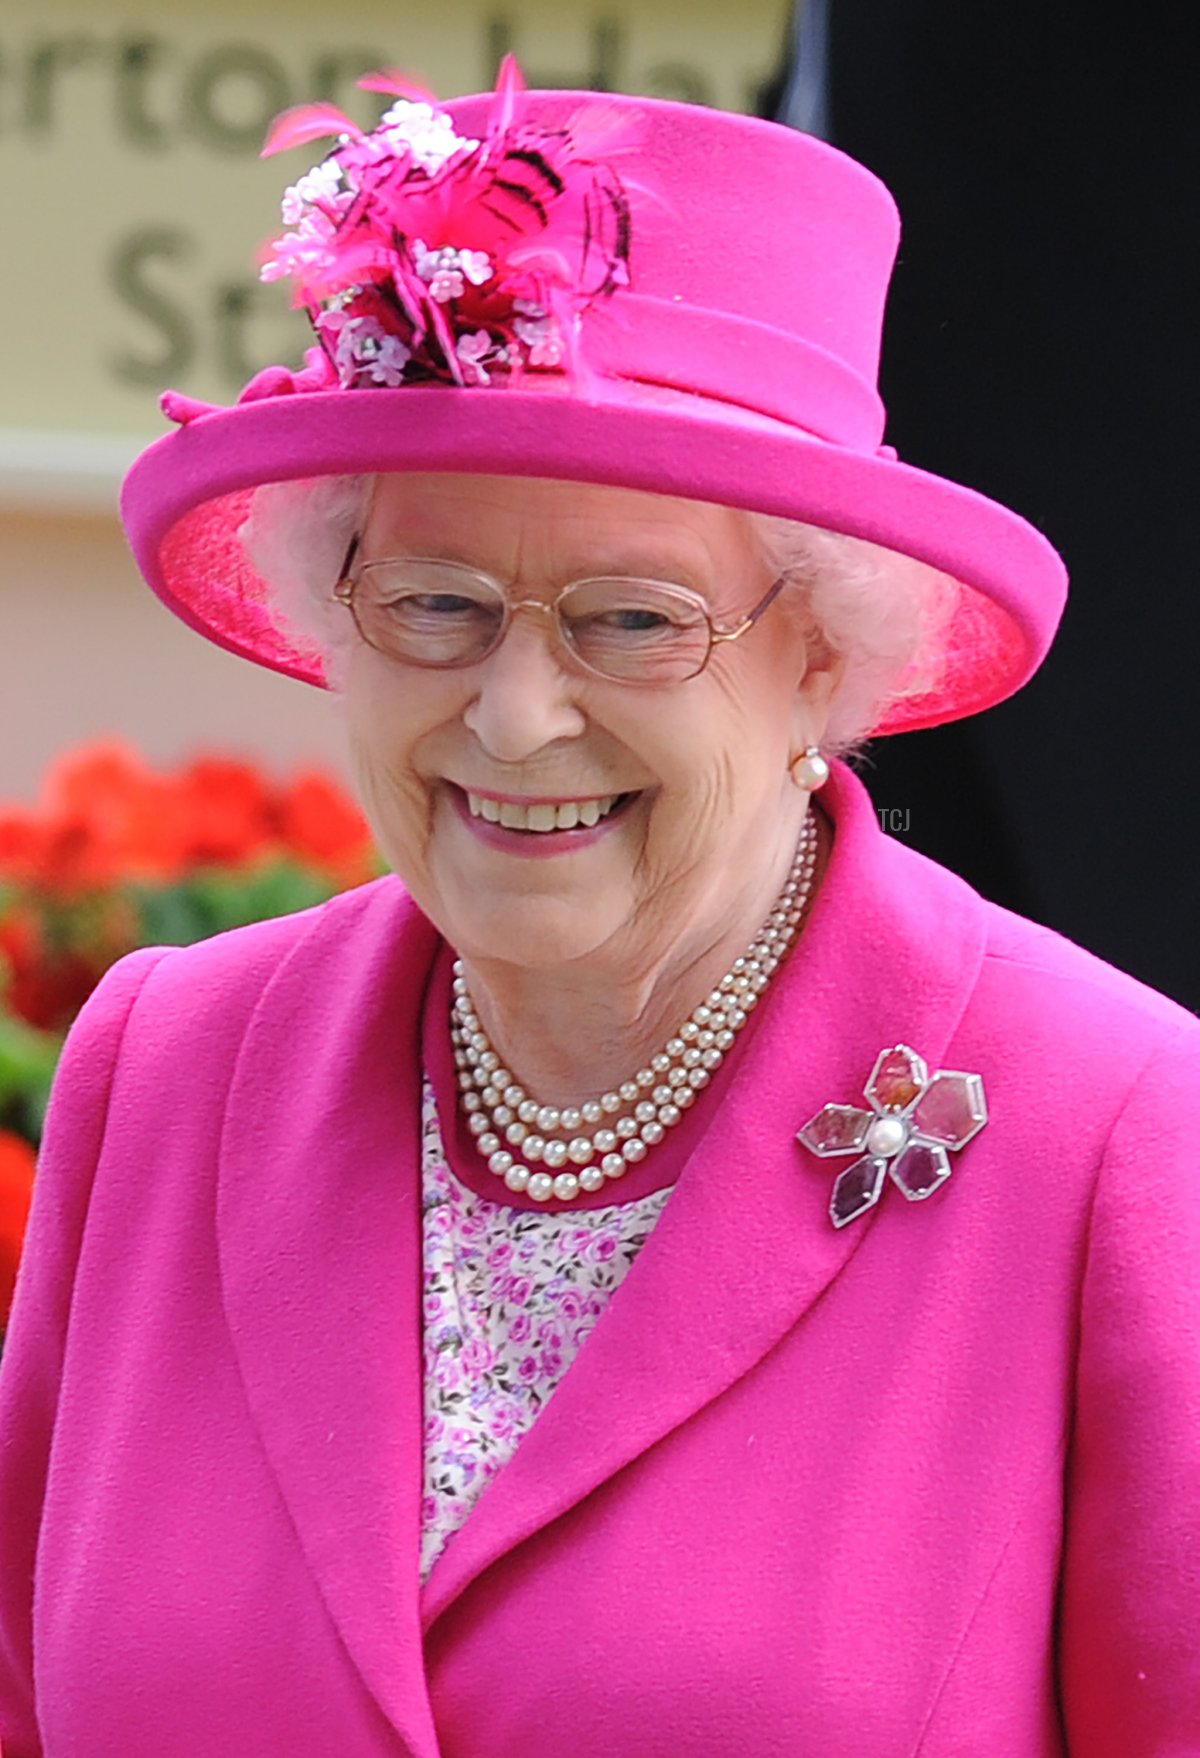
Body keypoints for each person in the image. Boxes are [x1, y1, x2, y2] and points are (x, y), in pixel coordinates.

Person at [1, 60, 1197, 1758]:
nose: (513, 715)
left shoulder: (1116, 1135)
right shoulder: (164, 1068)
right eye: (434, 601)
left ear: (826, 658)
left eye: (633, 621)